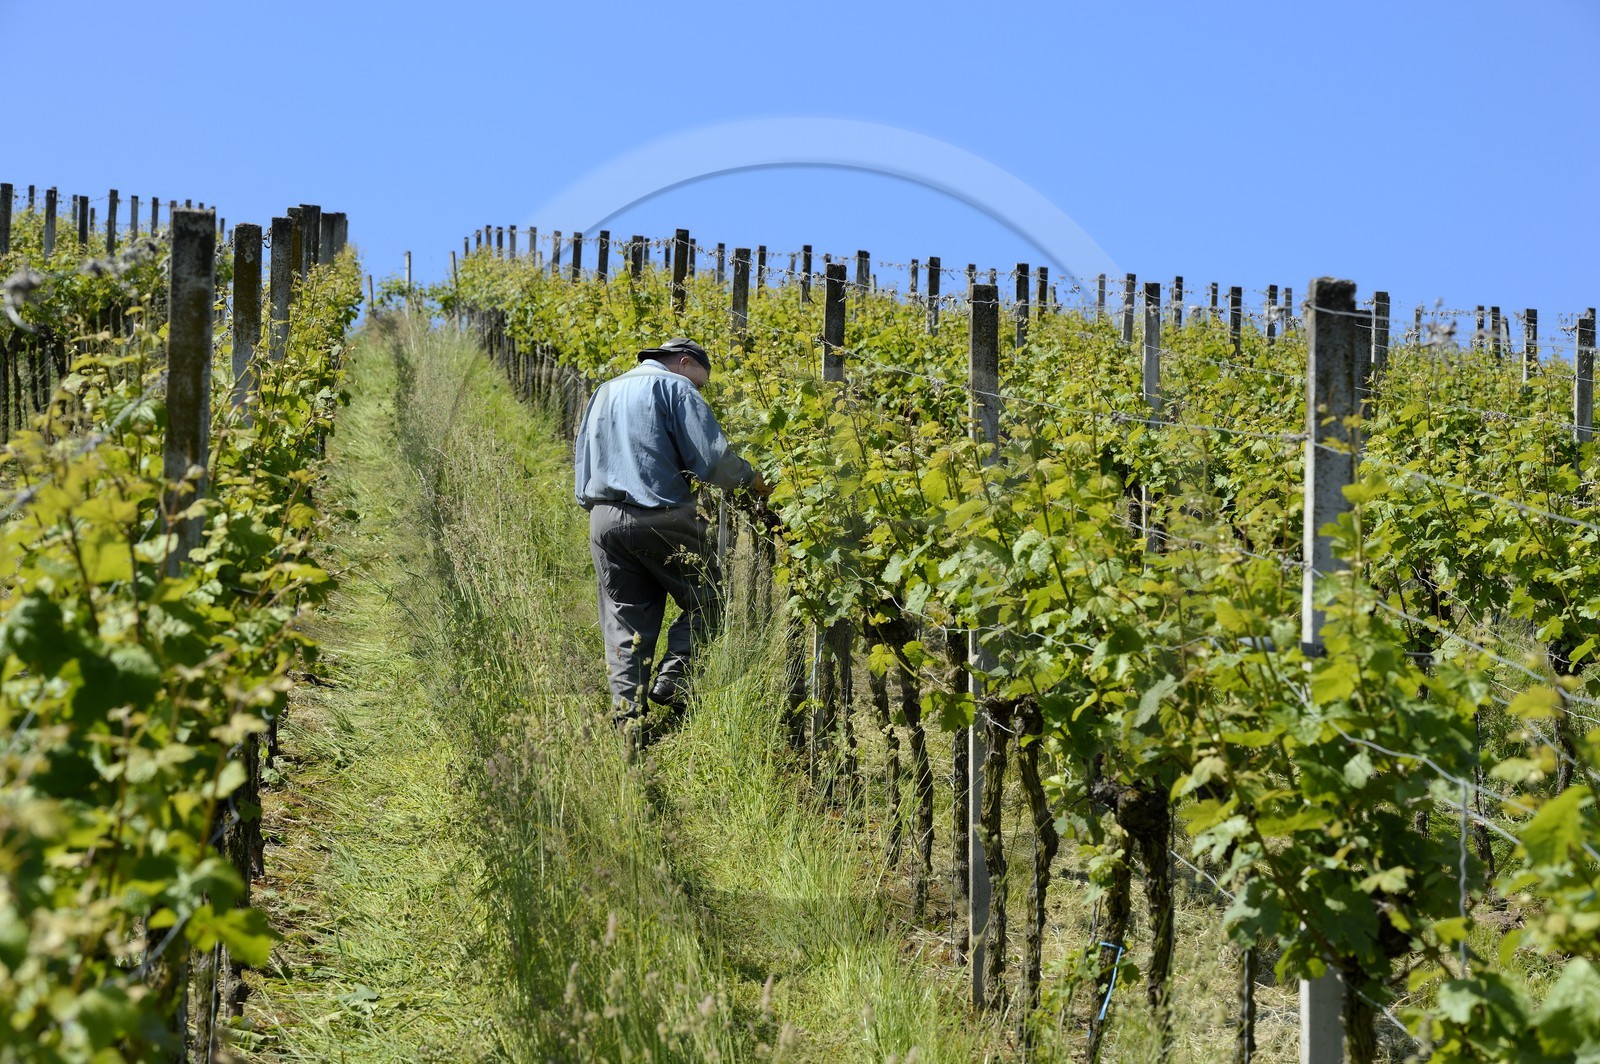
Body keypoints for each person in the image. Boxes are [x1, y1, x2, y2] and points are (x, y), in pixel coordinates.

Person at [573, 337, 770, 741]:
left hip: (604, 519)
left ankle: (629, 727)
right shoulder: (676, 387)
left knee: (624, 622)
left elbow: (583, 462)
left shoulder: (604, 390)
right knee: (710, 598)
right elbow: (712, 461)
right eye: (701, 383)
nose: (700, 391)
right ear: (684, 362)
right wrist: (753, 480)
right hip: (662, 514)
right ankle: (675, 676)